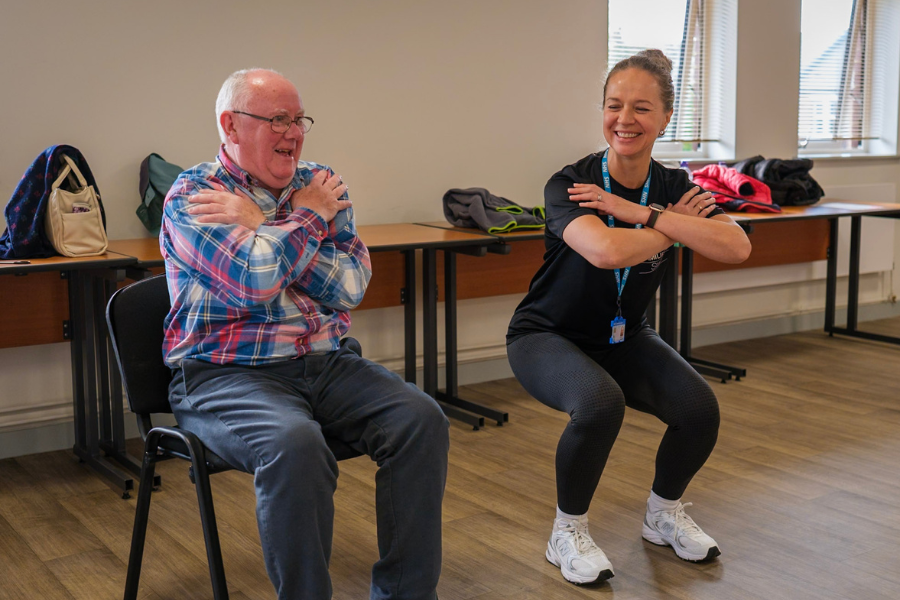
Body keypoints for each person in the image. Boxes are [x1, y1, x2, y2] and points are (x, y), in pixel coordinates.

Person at [160, 68, 449, 600]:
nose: (294, 132)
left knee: (420, 419)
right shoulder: (193, 194)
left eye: (299, 119)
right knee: (294, 445)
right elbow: (253, 281)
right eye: (277, 119)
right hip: (225, 375)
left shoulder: (320, 182)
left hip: (326, 362)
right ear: (230, 125)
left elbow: (351, 285)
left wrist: (265, 225)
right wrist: (309, 221)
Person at [506, 50, 751, 585]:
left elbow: (736, 246)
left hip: (624, 336)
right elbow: (605, 252)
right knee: (599, 403)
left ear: (665, 118)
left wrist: (641, 213)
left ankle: (663, 515)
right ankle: (566, 532)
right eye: (614, 105)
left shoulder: (671, 187)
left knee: (698, 408)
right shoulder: (570, 183)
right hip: (545, 336)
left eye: (641, 107)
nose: (624, 119)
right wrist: (671, 229)